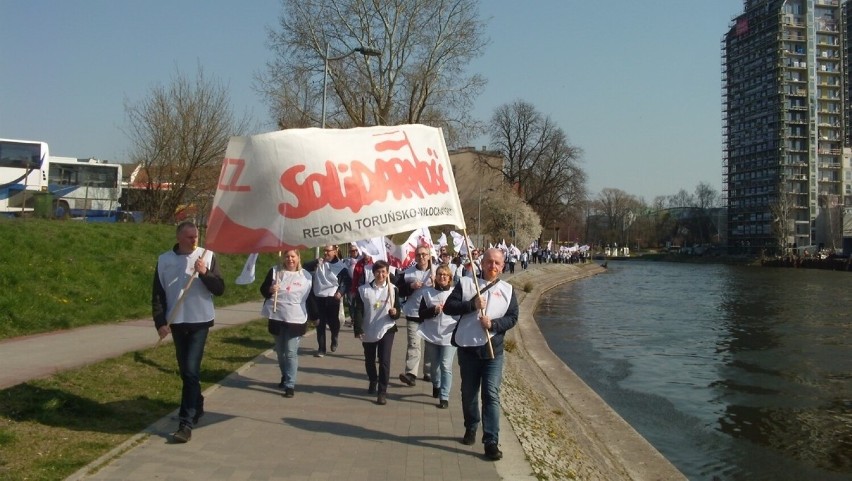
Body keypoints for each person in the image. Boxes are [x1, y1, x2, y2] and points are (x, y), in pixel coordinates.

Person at [152, 221, 225, 444]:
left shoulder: (207, 256)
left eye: (196, 236)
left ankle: (186, 422)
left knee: (192, 369)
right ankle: (198, 402)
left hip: (200, 321)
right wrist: (160, 322)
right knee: (186, 371)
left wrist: (204, 273)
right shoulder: (165, 260)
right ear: (179, 237)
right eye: (189, 237)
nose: (194, 240)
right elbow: (157, 294)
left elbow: (220, 289)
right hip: (177, 322)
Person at [443, 247, 518, 461]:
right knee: (468, 393)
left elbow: (513, 317)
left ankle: (491, 441)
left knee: (491, 395)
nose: (492, 266)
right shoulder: (467, 283)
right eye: (489, 262)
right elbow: (449, 307)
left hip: (493, 351)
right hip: (468, 350)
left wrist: (493, 324)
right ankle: (471, 425)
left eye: (497, 263)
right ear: (482, 263)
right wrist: (471, 305)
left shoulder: (508, 290)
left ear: (503, 266)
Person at [260, 250, 312, 398]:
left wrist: (315, 316)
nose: (290, 259)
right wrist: (270, 290)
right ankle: (285, 375)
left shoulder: (305, 276)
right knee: (280, 352)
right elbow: (263, 290)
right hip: (276, 316)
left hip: (295, 319)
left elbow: (309, 297)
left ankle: (290, 384)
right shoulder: (275, 271)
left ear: (298, 257)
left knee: (290, 352)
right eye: (287, 256)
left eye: (293, 256)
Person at [353, 260, 401, 405]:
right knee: (369, 360)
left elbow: (398, 311)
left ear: (388, 273)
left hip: (387, 328)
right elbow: (358, 311)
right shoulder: (364, 290)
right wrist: (358, 328)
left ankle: (382, 391)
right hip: (369, 328)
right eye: (378, 272)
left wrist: (394, 313)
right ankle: (373, 379)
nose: (381, 275)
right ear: (373, 273)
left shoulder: (393, 290)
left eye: (384, 272)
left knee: (384, 360)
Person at [416, 264, 458, 408]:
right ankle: (437, 384)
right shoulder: (427, 293)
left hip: (449, 335)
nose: (442, 277)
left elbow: (461, 312)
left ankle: (444, 397)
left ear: (450, 278)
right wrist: (433, 310)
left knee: (446, 365)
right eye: (440, 274)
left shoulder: (455, 293)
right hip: (432, 334)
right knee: (434, 366)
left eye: (445, 275)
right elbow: (420, 314)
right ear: (436, 277)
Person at [397, 245, 436, 387]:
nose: (421, 257)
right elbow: (399, 291)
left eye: (424, 254)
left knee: (430, 345)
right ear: (415, 256)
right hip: (413, 313)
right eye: (418, 254)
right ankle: (411, 374)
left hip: (432, 314)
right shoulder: (407, 273)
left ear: (429, 256)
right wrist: (410, 287)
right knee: (414, 344)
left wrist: (437, 282)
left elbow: (448, 287)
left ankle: (429, 372)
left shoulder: (437, 271)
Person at [304, 245, 351, 357]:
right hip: (318, 296)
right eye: (324, 251)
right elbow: (304, 267)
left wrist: (340, 292)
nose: (325, 253)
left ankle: (334, 336)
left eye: (328, 251)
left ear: (334, 252)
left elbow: (346, 281)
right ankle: (321, 348)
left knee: (333, 322)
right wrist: (316, 262)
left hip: (332, 297)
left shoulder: (341, 267)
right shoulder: (319, 263)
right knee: (320, 323)